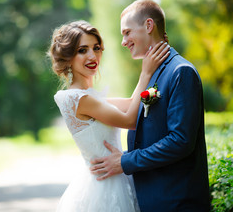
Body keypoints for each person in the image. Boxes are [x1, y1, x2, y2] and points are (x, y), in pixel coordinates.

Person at [90, 0, 211, 211]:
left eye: (127, 32)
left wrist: (125, 161)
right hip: (153, 200)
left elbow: (180, 141)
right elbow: (133, 110)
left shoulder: (180, 71)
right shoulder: (154, 70)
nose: (123, 41)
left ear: (148, 26)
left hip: (176, 202)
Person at [48, 20, 170, 211]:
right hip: (104, 186)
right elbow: (130, 120)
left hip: (113, 177)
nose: (92, 55)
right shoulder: (78, 98)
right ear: (68, 57)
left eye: (96, 48)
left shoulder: (89, 97)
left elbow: (131, 104)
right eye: (82, 50)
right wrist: (145, 73)